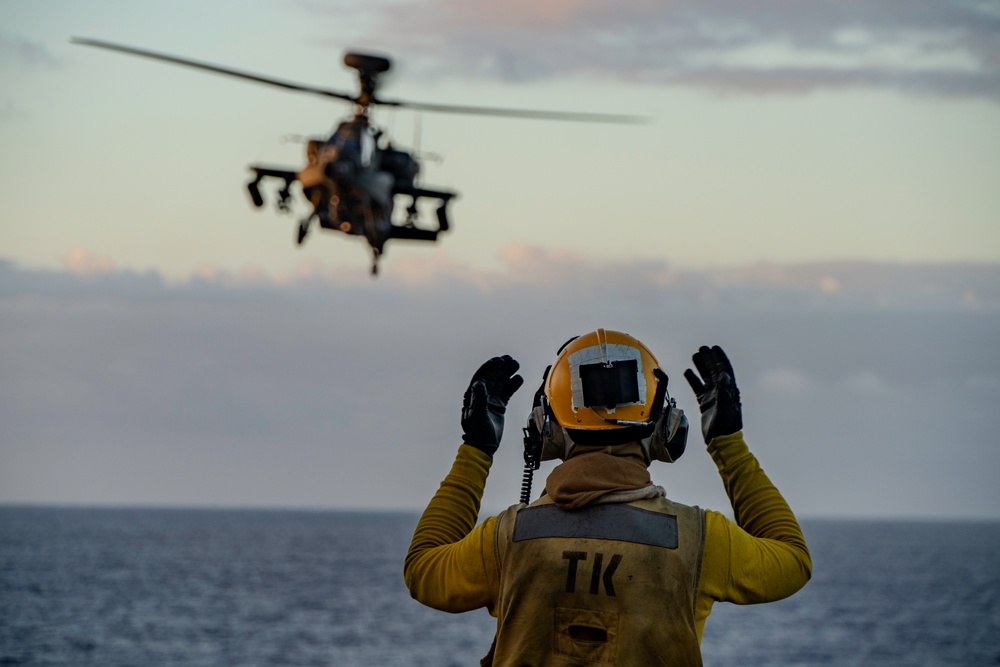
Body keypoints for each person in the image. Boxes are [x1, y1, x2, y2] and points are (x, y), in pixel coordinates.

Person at [404, 329, 811, 666]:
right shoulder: (699, 538)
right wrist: (728, 443)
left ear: (546, 427)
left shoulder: (509, 537)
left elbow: (423, 570)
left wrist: (476, 448)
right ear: (665, 426)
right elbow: (792, 561)